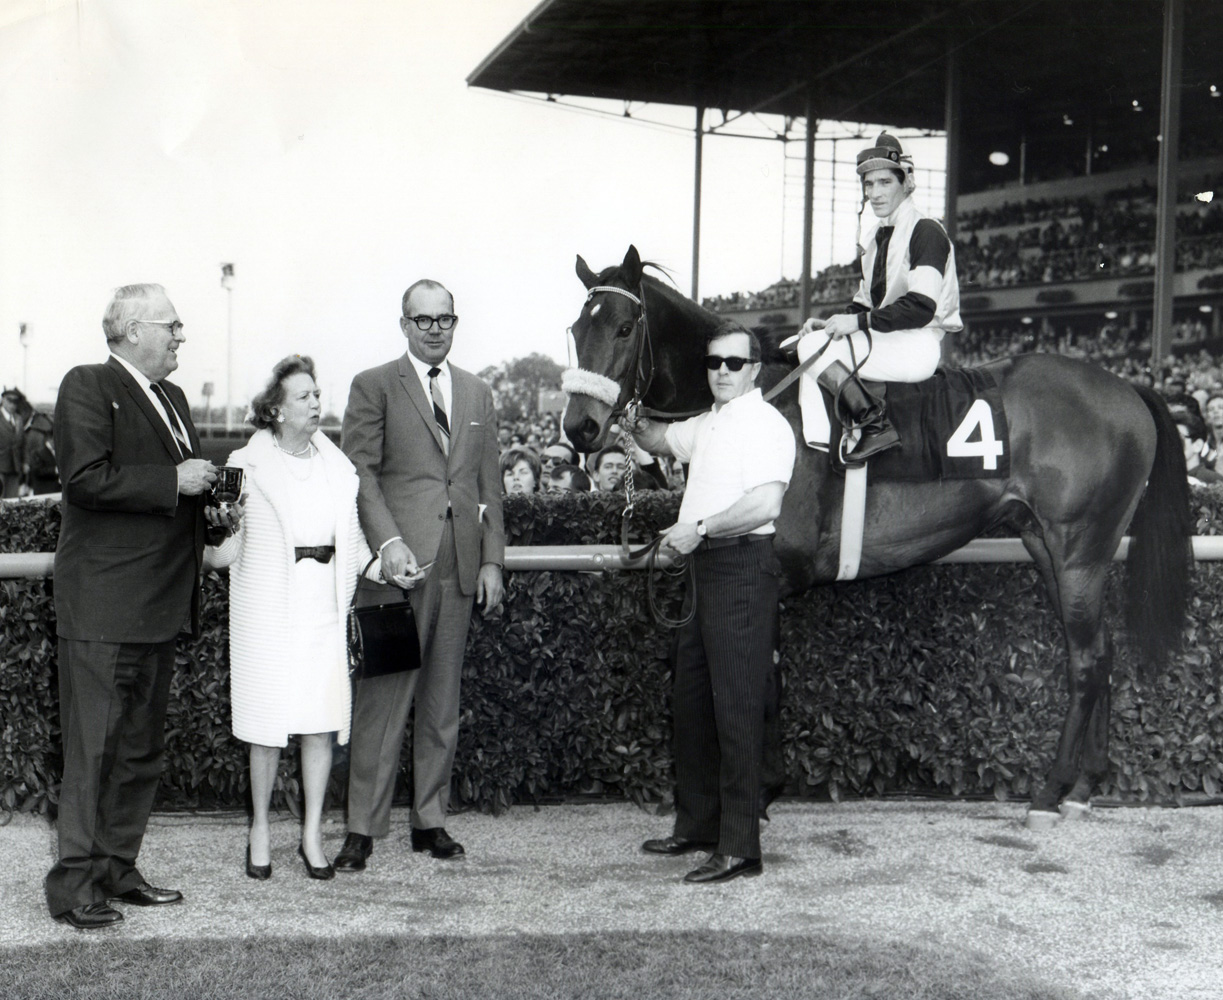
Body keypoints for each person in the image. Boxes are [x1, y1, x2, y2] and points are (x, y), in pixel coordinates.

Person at [45, 283, 239, 929]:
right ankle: (74, 890)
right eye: (172, 325)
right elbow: (84, 479)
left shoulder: (173, 398)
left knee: (137, 755)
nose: (182, 335)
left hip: (158, 606)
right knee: (92, 755)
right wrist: (173, 480)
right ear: (133, 330)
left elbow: (170, 495)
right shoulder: (87, 384)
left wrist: (209, 509)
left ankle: (117, 870)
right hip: (102, 610)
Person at [336, 278, 505, 871]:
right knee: (382, 704)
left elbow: (489, 485)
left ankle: (429, 820)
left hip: (459, 566)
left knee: (442, 703)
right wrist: (388, 544)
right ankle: (362, 827)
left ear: (455, 324)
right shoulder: (374, 385)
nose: (435, 329)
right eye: (423, 319)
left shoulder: (479, 393)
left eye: (445, 319)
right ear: (404, 324)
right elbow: (360, 475)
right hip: (397, 572)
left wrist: (491, 559)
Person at [628, 322, 796, 884]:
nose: (721, 370)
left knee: (738, 709)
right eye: (713, 362)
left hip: (742, 566)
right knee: (693, 701)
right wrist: (622, 402)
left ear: (755, 369)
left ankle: (741, 846)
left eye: (733, 362)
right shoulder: (711, 423)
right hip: (704, 570)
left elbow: (765, 501)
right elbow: (655, 441)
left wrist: (698, 528)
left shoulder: (767, 423)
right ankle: (698, 826)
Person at [209, 356, 380, 881]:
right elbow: (219, 555)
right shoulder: (241, 464)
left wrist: (389, 567)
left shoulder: (339, 467)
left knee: (321, 727)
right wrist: (223, 525)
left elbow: (353, 547)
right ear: (276, 410)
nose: (315, 403)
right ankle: (259, 828)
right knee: (265, 728)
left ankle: (311, 836)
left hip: (324, 611)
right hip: (268, 612)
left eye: (316, 394)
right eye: (304, 396)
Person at [794, 131, 963, 462]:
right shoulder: (874, 239)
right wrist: (829, 323)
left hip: (917, 343)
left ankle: (875, 425)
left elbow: (921, 307)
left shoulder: (926, 230)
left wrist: (855, 322)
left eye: (884, 182)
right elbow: (864, 304)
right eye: (869, 185)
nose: (874, 193)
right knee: (797, 344)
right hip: (888, 338)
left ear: (906, 182)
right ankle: (817, 447)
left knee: (812, 349)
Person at [0, 387, 21, 498]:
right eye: (9, 401)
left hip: (15, 466)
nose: (12, 405)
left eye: (15, 402)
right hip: (1, 467)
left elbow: (24, 444)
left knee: (12, 502)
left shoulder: (19, 419)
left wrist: (26, 462)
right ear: (3, 400)